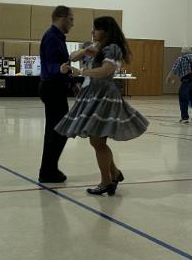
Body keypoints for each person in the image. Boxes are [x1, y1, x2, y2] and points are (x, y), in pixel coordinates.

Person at [55, 16, 149, 196]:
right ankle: (114, 174)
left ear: (106, 31)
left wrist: (81, 71)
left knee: (97, 141)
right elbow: (72, 56)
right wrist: (85, 51)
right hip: (92, 94)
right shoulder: (95, 46)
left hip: (104, 96)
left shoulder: (112, 49)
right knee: (97, 141)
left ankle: (107, 181)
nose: (93, 32)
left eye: (96, 29)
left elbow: (106, 71)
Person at [38, 6, 89, 183]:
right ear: (62, 17)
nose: (73, 24)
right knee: (58, 131)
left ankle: (49, 169)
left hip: (56, 87)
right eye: (71, 19)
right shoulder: (52, 37)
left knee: (56, 131)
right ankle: (48, 171)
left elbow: (62, 64)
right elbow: (53, 64)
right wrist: (59, 70)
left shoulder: (57, 37)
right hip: (52, 88)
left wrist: (72, 83)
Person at [166, 47, 192, 123]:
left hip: (186, 81)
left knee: (183, 99)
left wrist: (168, 78)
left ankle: (184, 118)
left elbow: (174, 69)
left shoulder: (181, 59)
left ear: (183, 53)